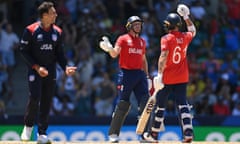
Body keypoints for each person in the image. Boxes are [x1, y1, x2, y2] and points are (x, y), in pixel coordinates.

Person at [19, 2, 77, 144]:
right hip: (35, 69)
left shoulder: (58, 32)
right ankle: (28, 127)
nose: (56, 15)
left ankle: (42, 133)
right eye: (53, 13)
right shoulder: (31, 30)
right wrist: (37, 67)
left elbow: (60, 54)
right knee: (35, 97)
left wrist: (65, 67)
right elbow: (23, 51)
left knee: (46, 101)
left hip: (50, 71)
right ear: (44, 16)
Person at [142, 4, 196, 143]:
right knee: (183, 104)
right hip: (182, 76)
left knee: (160, 105)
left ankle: (153, 135)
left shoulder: (166, 38)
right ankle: (188, 133)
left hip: (167, 78)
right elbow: (193, 30)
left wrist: (159, 74)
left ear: (169, 25)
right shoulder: (185, 37)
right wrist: (186, 17)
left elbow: (163, 57)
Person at [99, 16, 152, 142]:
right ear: (129, 26)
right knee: (123, 103)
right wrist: (109, 48)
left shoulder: (142, 41)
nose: (138, 26)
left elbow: (143, 60)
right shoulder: (123, 39)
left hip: (139, 75)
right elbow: (114, 54)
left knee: (146, 103)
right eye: (136, 24)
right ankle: (113, 134)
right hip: (126, 74)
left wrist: (147, 76)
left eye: (139, 24)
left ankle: (144, 134)